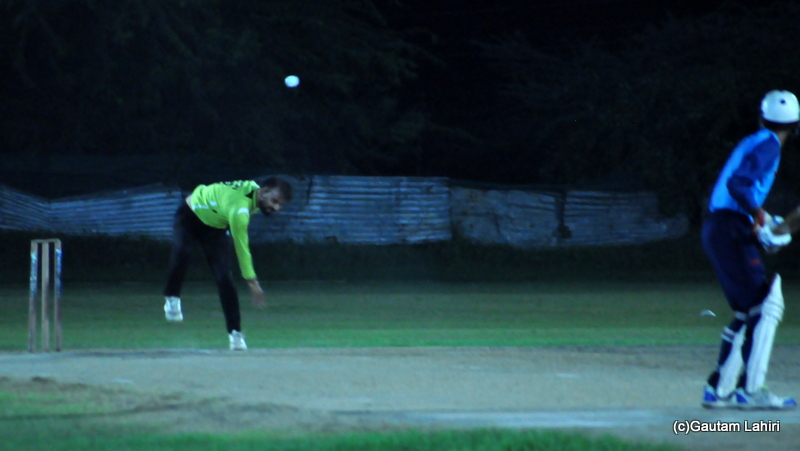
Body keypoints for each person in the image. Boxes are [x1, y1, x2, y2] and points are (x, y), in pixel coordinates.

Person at [701, 90, 798, 409]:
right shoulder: (770, 144)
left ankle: (718, 390)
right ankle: (751, 390)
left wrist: (757, 223)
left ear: (761, 116)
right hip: (730, 227)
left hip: (719, 227)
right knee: (768, 304)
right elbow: (739, 185)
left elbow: (734, 189)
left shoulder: (754, 139)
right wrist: (759, 216)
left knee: (747, 311)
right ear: (795, 125)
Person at [162, 177, 293, 350]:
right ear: (263, 192)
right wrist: (252, 282)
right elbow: (242, 247)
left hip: (216, 227)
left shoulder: (253, 192)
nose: (276, 207)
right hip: (190, 215)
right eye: (274, 201)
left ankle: (235, 334)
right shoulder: (240, 209)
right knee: (182, 252)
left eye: (280, 204)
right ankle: (172, 297)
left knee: (224, 278)